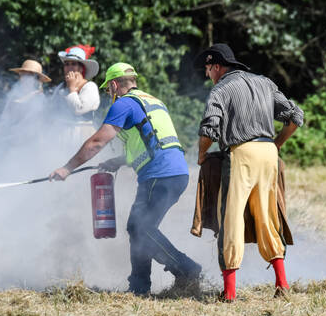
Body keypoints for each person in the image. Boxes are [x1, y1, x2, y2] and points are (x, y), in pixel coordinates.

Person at [50, 62, 201, 295]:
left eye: (108, 90)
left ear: (113, 84)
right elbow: (152, 141)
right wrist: (118, 161)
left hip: (159, 174)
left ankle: (186, 269)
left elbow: (98, 141)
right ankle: (139, 287)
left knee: (140, 227)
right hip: (173, 172)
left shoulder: (125, 103)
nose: (109, 94)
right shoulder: (152, 101)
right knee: (139, 227)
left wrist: (67, 168)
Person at [194, 43, 304, 302]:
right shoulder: (265, 83)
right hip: (269, 155)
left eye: (208, 69)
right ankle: (281, 285)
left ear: (217, 66)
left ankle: (229, 293)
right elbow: (296, 116)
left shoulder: (220, 89)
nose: (208, 75)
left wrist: (201, 155)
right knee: (268, 217)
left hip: (240, 154)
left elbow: (209, 128)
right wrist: (276, 144)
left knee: (231, 219)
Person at [51, 45, 100, 148]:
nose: (69, 67)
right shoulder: (61, 87)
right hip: (61, 136)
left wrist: (72, 89)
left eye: (73, 64)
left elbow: (78, 109)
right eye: (66, 64)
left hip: (82, 135)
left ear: (81, 68)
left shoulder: (90, 87)